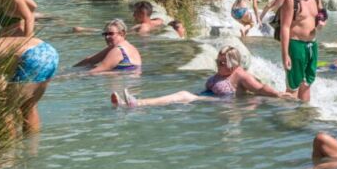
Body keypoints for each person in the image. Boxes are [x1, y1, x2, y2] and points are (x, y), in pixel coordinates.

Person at [111, 46, 292, 108]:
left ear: (234, 63)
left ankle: (138, 104)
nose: (218, 65)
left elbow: (259, 88)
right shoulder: (223, 72)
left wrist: (278, 94)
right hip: (206, 99)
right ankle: (126, 104)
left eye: (223, 63)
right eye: (218, 61)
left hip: (223, 104)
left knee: (182, 95)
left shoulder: (240, 75)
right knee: (182, 96)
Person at [0, 34, 59, 134]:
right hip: (48, 51)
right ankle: (32, 146)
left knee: (4, 110)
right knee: (29, 106)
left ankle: (11, 148)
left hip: (31, 56)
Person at [276, 0, 326, 102]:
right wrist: (285, 54)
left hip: (312, 44)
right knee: (294, 84)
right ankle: (290, 119)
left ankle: (304, 115)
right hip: (296, 44)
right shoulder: (291, 0)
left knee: (307, 82)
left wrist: (321, 20)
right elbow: (285, 28)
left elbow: (322, 13)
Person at [73, 19, 141, 74]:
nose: (107, 37)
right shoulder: (131, 47)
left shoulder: (117, 50)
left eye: (111, 34)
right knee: (90, 66)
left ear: (122, 33)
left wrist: (70, 76)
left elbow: (97, 71)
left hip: (122, 86)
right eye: (105, 34)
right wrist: (71, 69)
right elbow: (90, 60)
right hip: (133, 87)